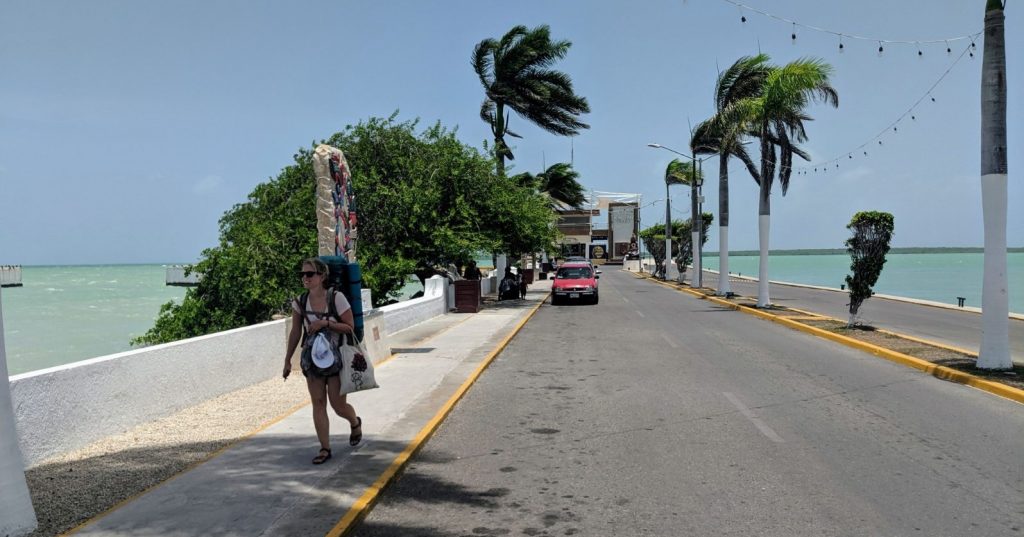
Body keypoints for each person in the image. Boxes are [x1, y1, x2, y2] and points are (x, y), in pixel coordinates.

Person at [283, 257, 363, 464]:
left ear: (322, 276)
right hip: (312, 359)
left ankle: (354, 422)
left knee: (337, 405)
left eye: (309, 274)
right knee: (318, 403)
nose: (305, 278)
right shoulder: (300, 301)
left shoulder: (336, 298)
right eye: (302, 274)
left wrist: (325, 323)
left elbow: (350, 327)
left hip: (335, 359)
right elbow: (295, 332)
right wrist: (287, 360)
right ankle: (325, 448)